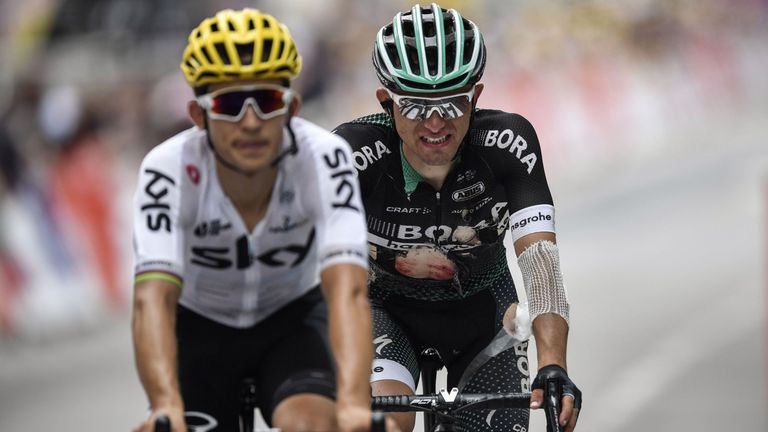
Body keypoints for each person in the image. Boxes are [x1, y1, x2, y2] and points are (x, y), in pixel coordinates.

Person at [333, 4, 582, 432]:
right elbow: (330, 274)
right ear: (386, 102)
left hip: (484, 313)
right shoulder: (352, 155)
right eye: (414, 105)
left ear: (477, 97)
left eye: (452, 102)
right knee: (382, 423)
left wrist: (554, 365)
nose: (434, 122)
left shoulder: (507, 143)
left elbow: (541, 265)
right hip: (385, 311)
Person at [131, 8, 382, 432]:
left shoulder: (324, 157)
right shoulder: (167, 169)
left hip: (292, 320)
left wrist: (355, 404)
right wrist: (163, 403)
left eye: (266, 102)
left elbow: (349, 290)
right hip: (200, 328)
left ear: (292, 108)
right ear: (198, 115)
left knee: (314, 424)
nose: (250, 122)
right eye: (229, 104)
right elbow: (151, 299)